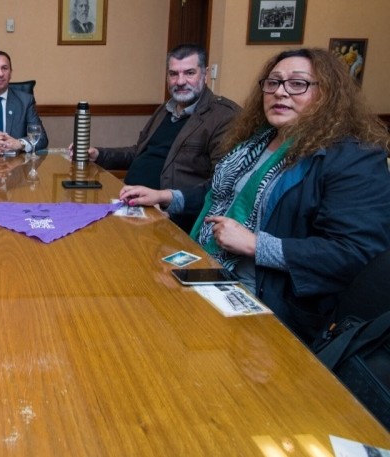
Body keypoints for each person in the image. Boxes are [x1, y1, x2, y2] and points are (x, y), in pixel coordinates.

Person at [120, 48, 390, 345]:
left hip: (273, 307)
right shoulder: (257, 141)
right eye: (272, 82)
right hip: (209, 267)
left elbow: (355, 253)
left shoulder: (354, 158)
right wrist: (167, 195)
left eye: (297, 84)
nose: (281, 92)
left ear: (328, 94)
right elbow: (220, 194)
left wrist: (256, 245)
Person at [75, 44, 240, 232]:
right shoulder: (165, 109)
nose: (180, 81)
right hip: (130, 207)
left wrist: (165, 198)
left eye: (189, 73)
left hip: (171, 219)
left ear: (205, 73)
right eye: (173, 74)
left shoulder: (224, 116)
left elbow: (221, 186)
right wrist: (99, 155)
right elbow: (138, 152)